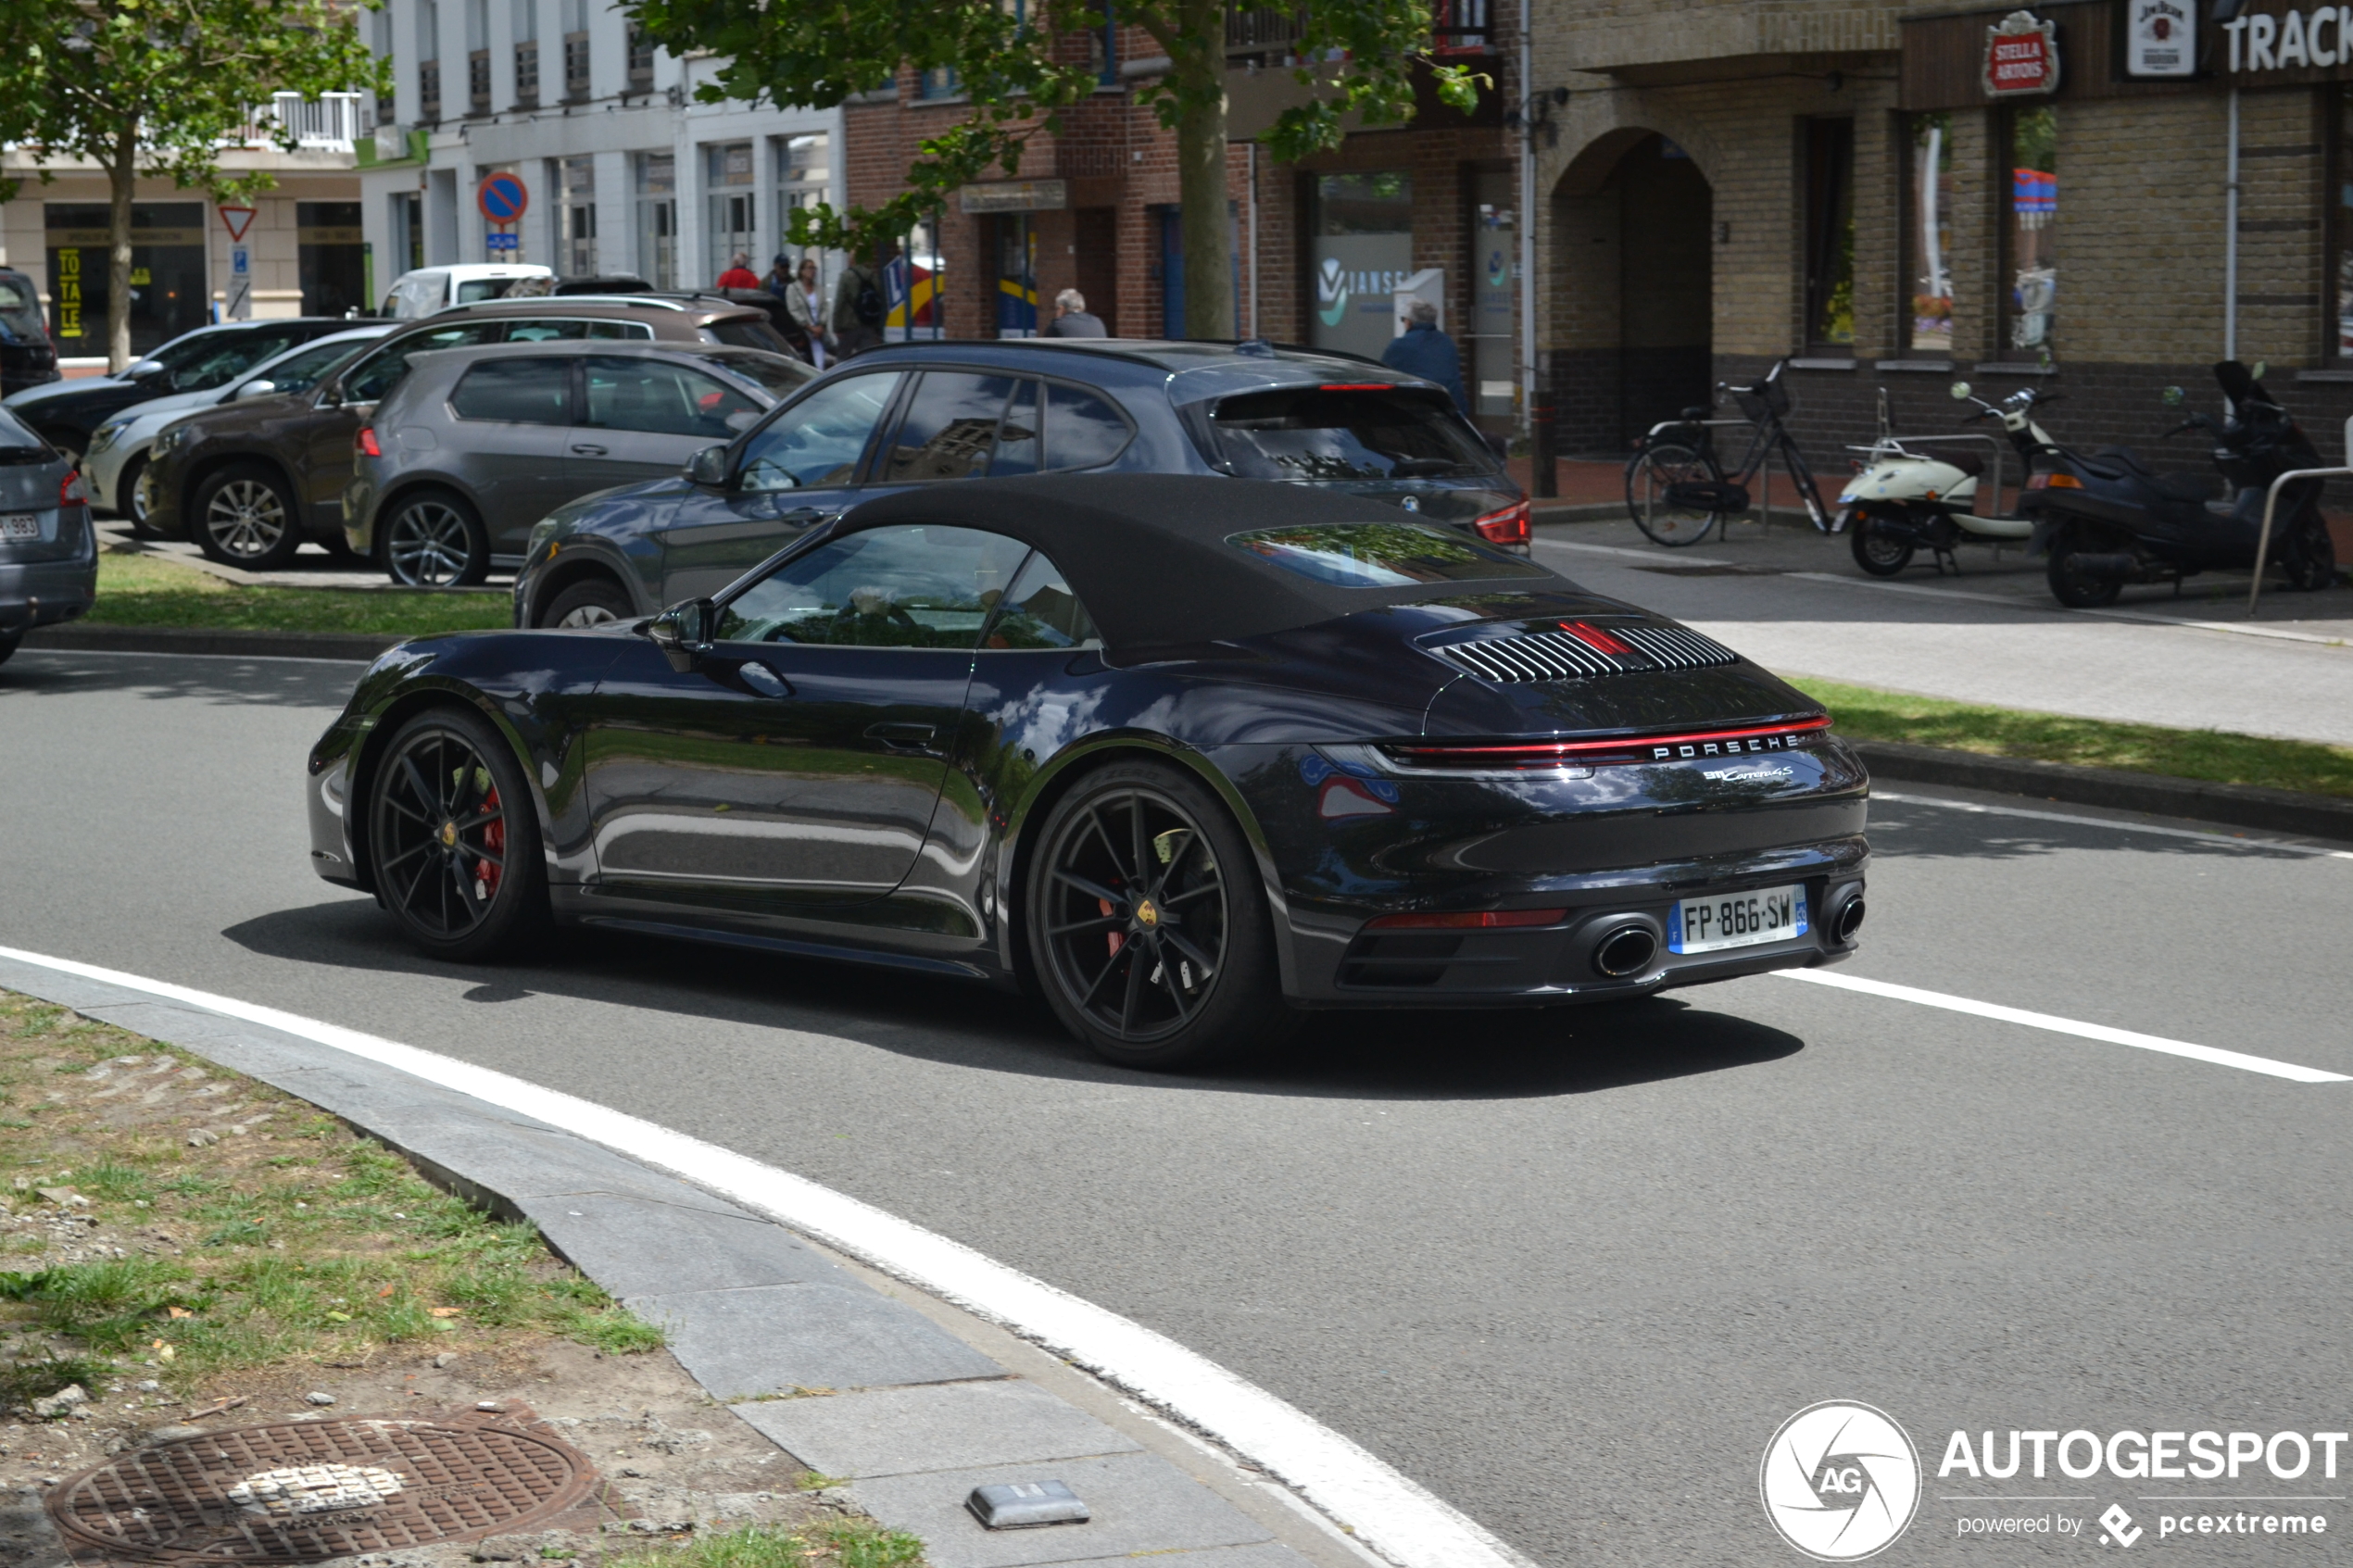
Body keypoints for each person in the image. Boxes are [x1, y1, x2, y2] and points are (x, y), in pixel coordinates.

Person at [1380, 298, 1467, 415]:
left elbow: (1384, 377)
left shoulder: (1400, 345)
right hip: (1454, 409)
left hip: (1421, 413)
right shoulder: (1447, 342)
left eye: (1403, 319)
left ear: (1409, 322)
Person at [832, 251, 887, 359]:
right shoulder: (872, 276)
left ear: (852, 260)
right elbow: (880, 301)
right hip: (868, 324)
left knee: (843, 360)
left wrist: (837, 327)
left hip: (849, 325)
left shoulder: (846, 276)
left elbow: (839, 303)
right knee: (867, 359)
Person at [785, 256, 832, 370]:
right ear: (802, 271)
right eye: (809, 268)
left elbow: (825, 307)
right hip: (804, 331)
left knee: (821, 362)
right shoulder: (793, 288)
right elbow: (793, 311)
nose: (812, 271)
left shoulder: (819, 288)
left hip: (819, 331)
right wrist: (810, 327)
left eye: (814, 268)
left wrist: (821, 325)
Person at [1042, 287, 1106, 338]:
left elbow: (1045, 351)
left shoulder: (1058, 325)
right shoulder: (1097, 322)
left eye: (1057, 309)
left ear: (1061, 308)